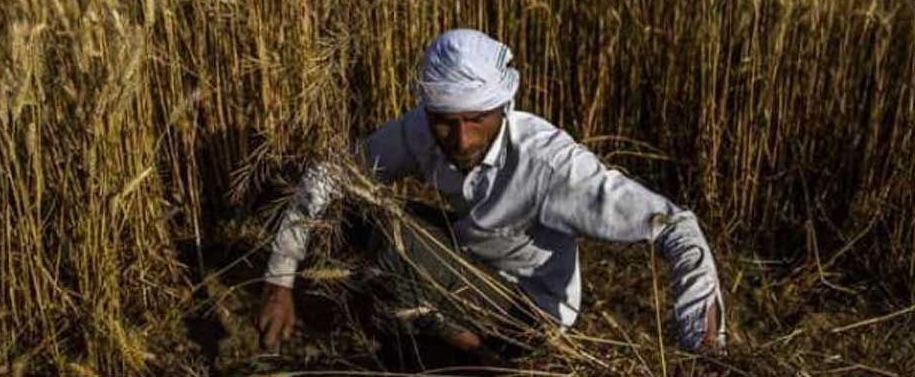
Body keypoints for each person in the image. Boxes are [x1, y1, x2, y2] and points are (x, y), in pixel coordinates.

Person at [256, 28, 726, 363]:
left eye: (476, 120)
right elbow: (330, 174)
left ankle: (481, 358)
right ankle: (438, 338)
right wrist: (280, 283)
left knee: (390, 235)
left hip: (528, 314)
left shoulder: (552, 168)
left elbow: (676, 226)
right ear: (429, 110)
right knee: (355, 209)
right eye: (447, 122)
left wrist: (702, 339)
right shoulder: (421, 129)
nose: (461, 140)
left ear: (505, 106)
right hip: (470, 262)